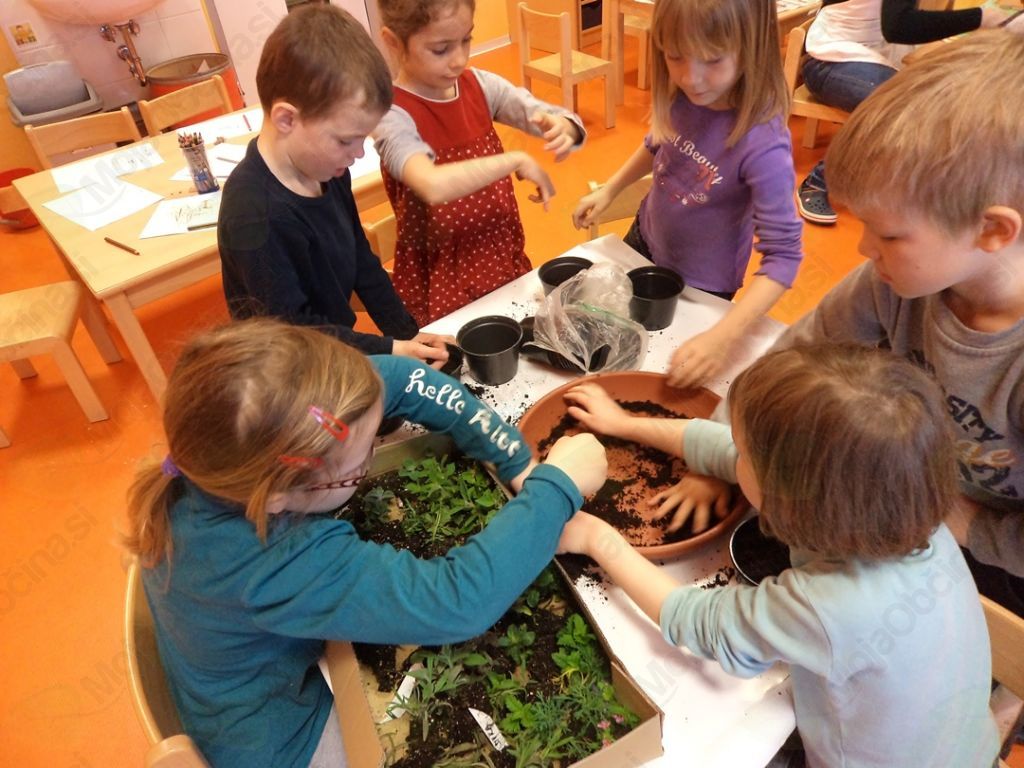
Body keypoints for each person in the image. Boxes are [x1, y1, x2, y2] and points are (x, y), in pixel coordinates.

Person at [123, 318, 607, 768]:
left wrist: (515, 460)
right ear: (280, 496)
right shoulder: (272, 561)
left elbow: (401, 379)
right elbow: (456, 602)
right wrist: (556, 487)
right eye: (361, 463)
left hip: (241, 672)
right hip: (281, 742)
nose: (373, 455)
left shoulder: (272, 427)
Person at [560, 343, 999, 768]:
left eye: (745, 452)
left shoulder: (830, 605)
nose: (734, 453)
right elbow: (726, 451)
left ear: (787, 495)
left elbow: (703, 624)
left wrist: (599, 539)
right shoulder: (894, 505)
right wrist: (624, 423)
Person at [773, 29, 1024, 618]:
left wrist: (959, 520)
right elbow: (799, 353)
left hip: (999, 562)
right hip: (918, 506)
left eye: (887, 234)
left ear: (991, 230)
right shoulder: (895, 283)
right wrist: (731, 444)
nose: (864, 249)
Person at [572, 0, 803, 390]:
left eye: (712, 60)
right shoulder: (684, 95)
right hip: (644, 241)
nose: (690, 78)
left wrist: (723, 338)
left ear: (752, 48)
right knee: (621, 350)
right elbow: (657, 144)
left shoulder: (763, 144)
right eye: (675, 56)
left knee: (666, 375)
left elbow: (784, 259)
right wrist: (611, 189)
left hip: (703, 284)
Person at [217, 5, 448, 363]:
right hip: (285, 367)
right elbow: (294, 334)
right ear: (286, 119)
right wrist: (389, 350)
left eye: (362, 138)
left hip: (333, 349)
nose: (359, 153)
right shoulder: (254, 214)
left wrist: (406, 333)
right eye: (345, 140)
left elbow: (360, 259)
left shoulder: (328, 170)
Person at [373, 0, 587, 325]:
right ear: (393, 42)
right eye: (441, 49)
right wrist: (512, 160)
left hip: (500, 263)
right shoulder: (391, 115)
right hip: (440, 285)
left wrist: (565, 127)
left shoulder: (480, 86)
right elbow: (431, 184)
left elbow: (552, 115)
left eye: (466, 40)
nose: (459, 59)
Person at [796, 0, 1024, 225]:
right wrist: (981, 17)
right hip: (829, 60)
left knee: (938, 100)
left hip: (871, 55)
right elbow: (899, 26)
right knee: (896, 108)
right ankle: (817, 183)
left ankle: (933, 194)